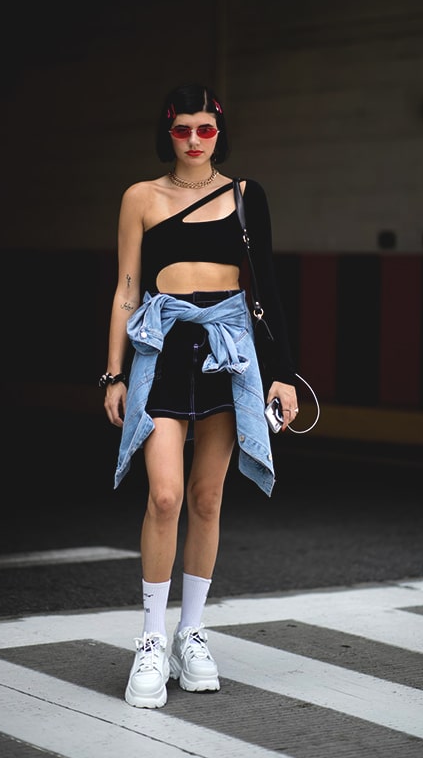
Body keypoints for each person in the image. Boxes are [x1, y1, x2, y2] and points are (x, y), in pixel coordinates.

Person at [101, 83, 298, 709]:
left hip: (229, 351)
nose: (193, 140)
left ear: (220, 132)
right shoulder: (140, 197)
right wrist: (113, 372)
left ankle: (193, 633)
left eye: (205, 129)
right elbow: (127, 286)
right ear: (168, 133)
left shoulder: (245, 196)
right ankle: (152, 640)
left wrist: (283, 373)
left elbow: (265, 284)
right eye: (182, 129)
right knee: (165, 495)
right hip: (162, 351)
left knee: (208, 499)